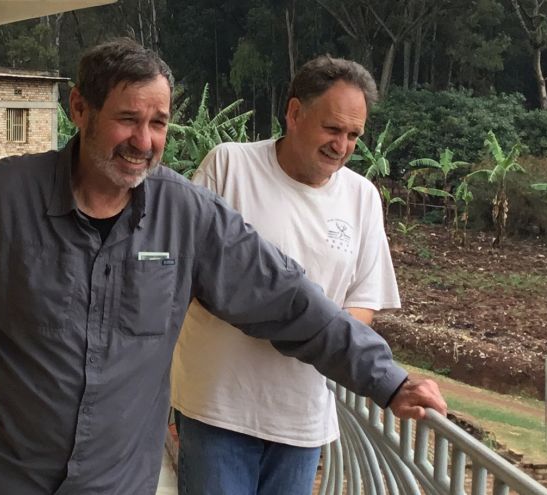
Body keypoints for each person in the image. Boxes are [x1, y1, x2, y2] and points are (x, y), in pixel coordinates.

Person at [0, 39, 445, 495]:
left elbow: (290, 301)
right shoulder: (0, 200)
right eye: (127, 119)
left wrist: (388, 380)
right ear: (79, 108)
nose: (143, 141)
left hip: (115, 481)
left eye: (159, 122)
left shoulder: (187, 216)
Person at [171, 56, 415, 495]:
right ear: (295, 113)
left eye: (353, 135)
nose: (342, 145)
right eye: (332, 129)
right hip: (215, 407)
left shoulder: (362, 197)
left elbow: (363, 303)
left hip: (302, 418)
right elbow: (185, 281)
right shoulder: (229, 166)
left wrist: (306, 331)